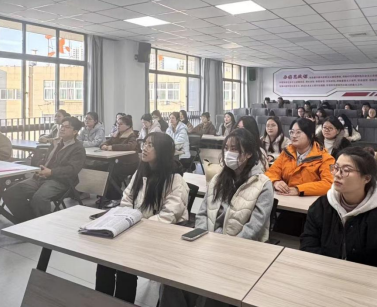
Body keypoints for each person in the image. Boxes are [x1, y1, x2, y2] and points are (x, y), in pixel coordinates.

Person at [159, 129, 274, 307]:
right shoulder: (218, 179)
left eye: (234, 149)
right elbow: (202, 213)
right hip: (209, 245)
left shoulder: (263, 185)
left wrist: (225, 249)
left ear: (249, 153)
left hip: (239, 253)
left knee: (212, 293)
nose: (228, 153)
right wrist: (205, 240)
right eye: (226, 148)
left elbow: (253, 228)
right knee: (172, 280)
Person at [96, 132, 189, 304]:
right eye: (144, 143)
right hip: (136, 230)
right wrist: (127, 222)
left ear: (162, 150)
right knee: (105, 259)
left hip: (161, 237)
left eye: (150, 145)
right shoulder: (140, 172)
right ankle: (101, 302)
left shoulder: (176, 180)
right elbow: (126, 200)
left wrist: (135, 227)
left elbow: (168, 217)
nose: (144, 148)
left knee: (125, 264)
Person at [301, 147, 377, 273]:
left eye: (346, 170)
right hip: (324, 274)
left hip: (366, 281)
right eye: (336, 168)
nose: (337, 174)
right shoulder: (321, 206)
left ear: (366, 178)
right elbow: (308, 245)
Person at [3, 117, 86, 223]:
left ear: (75, 132)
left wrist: (51, 172)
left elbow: (72, 170)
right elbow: (47, 160)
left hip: (60, 181)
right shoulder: (56, 143)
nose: (62, 129)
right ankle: (29, 222)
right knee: (10, 193)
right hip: (41, 177)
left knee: (39, 198)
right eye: (62, 126)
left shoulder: (78, 148)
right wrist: (39, 167)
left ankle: (43, 226)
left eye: (67, 127)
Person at [265, 118, 335, 197]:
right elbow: (271, 172)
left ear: (311, 135)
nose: (294, 136)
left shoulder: (325, 158)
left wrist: (298, 189)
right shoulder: (286, 153)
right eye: (292, 132)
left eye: (298, 132)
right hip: (286, 198)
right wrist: (276, 182)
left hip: (309, 200)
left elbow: (329, 183)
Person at [100, 115, 140, 206]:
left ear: (128, 126)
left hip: (129, 163)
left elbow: (130, 146)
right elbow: (107, 142)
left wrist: (112, 147)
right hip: (118, 161)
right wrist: (103, 145)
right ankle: (105, 196)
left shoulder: (131, 135)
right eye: (117, 124)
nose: (118, 126)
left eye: (121, 124)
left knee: (113, 173)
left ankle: (116, 198)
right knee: (103, 170)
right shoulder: (117, 134)